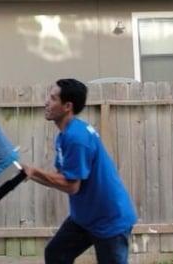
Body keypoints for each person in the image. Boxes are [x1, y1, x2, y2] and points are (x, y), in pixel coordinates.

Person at [23, 78, 136, 264]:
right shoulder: (66, 135)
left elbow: (71, 185)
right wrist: (28, 174)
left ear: (67, 106)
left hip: (110, 220)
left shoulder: (77, 137)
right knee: (56, 254)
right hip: (85, 218)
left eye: (52, 99)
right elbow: (62, 178)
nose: (46, 102)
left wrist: (33, 172)